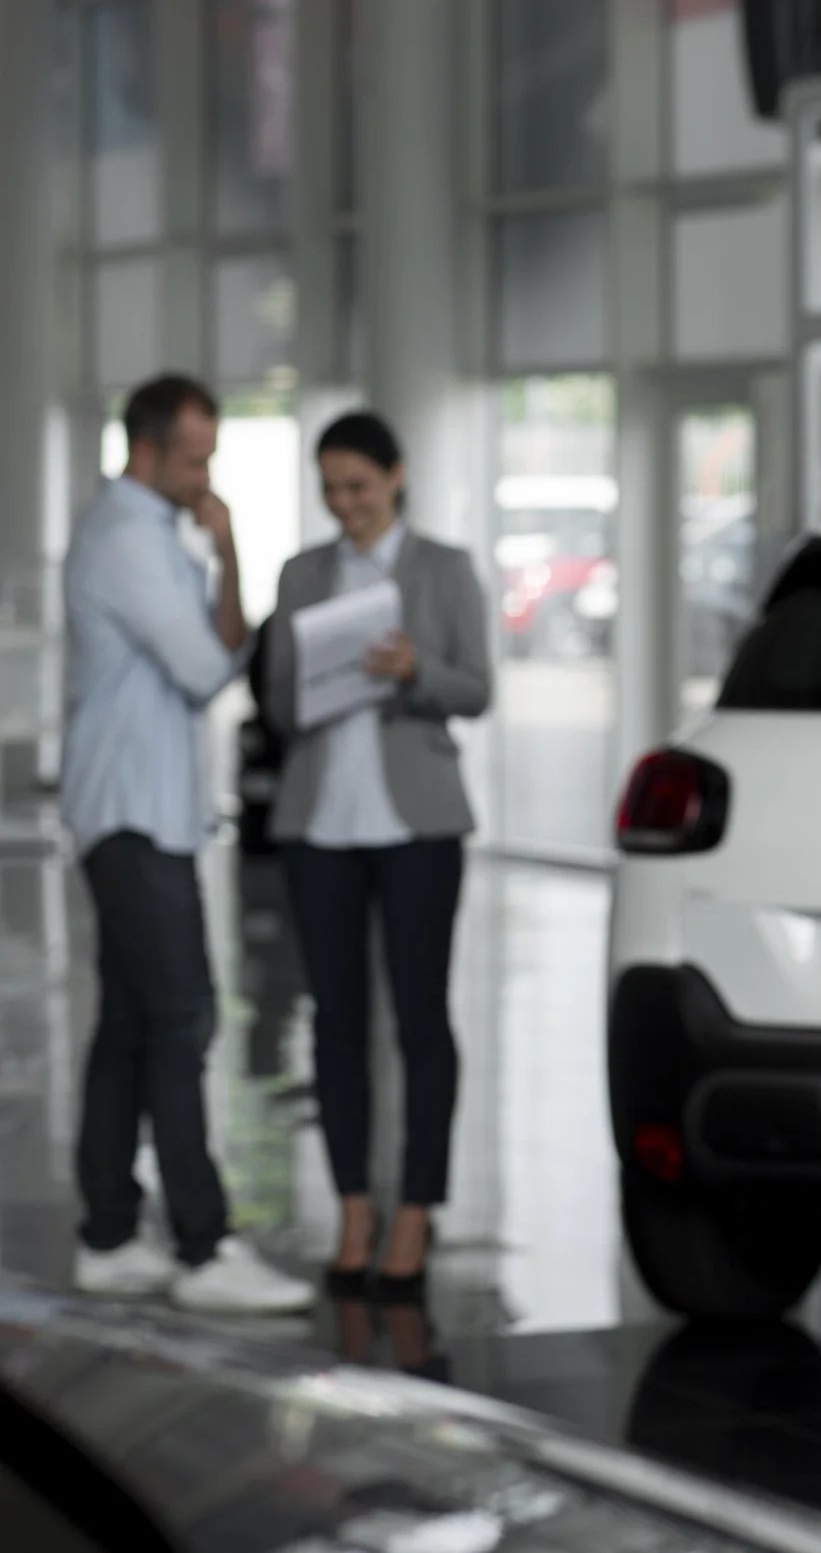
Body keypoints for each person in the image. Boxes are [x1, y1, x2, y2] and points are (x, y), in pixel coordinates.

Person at [62, 373, 316, 1315]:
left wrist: (223, 550)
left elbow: (220, 644)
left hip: (149, 812)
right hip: (128, 815)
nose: (207, 474)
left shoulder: (156, 535)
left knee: (131, 1024)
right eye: (197, 457)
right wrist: (231, 548)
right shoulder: (126, 539)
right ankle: (205, 1246)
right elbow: (212, 667)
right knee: (184, 1017)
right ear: (149, 449)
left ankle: (110, 1236)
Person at [261, 411, 492, 1301]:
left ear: (396, 477)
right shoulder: (302, 574)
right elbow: (279, 705)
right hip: (320, 822)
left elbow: (477, 690)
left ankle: (416, 1209)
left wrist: (414, 670)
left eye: (359, 486)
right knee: (334, 1023)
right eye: (331, 490)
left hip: (419, 823)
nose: (345, 504)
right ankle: (353, 1205)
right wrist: (319, 681)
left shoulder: (444, 569)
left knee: (422, 1018)